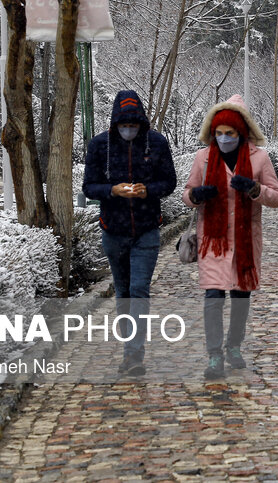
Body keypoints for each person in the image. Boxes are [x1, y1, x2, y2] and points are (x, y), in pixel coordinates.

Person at [182, 94, 278, 380]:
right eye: (219, 133)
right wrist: (195, 195)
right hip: (212, 238)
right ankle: (214, 355)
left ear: (241, 132)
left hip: (245, 239)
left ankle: (234, 347)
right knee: (213, 296)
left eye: (230, 133)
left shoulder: (259, 158)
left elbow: (277, 197)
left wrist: (254, 190)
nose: (224, 138)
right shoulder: (203, 158)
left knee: (241, 295)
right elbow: (187, 193)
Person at [83, 90, 177, 377]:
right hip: (114, 230)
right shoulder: (100, 145)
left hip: (147, 229)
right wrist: (113, 190)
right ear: (115, 124)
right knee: (123, 293)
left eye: (133, 126)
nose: (128, 131)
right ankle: (130, 345)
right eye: (124, 126)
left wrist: (147, 190)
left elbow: (169, 182)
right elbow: (89, 187)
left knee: (138, 291)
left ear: (141, 124)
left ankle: (134, 355)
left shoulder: (156, 143)